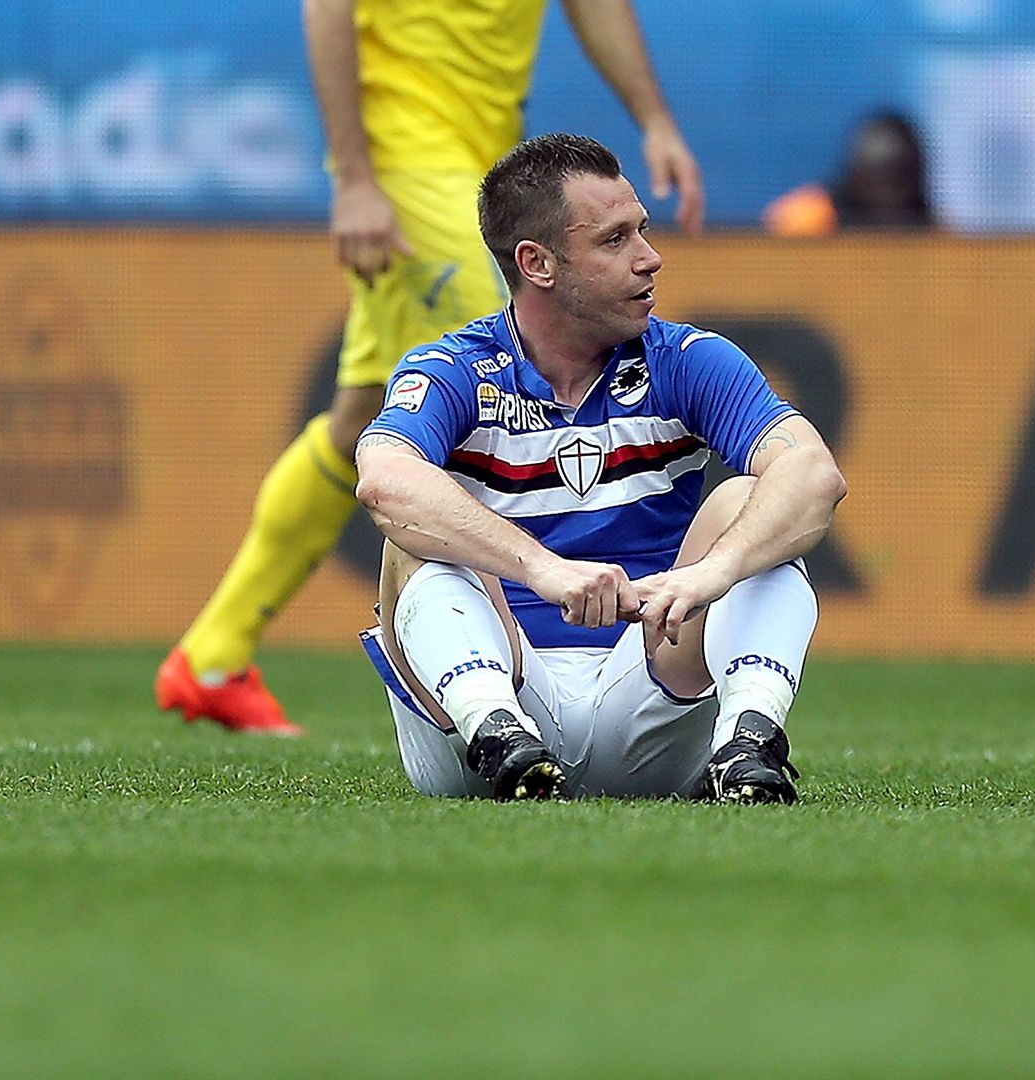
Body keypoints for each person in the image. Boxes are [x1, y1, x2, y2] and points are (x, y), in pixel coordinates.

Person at [156, 0, 706, 735]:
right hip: (408, 166)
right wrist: (355, 177)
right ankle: (523, 671)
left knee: (361, 418)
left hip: (484, 162)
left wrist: (656, 119)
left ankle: (212, 657)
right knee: (508, 367)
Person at [351, 133, 845, 801]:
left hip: (650, 696)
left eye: (642, 230)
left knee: (756, 505)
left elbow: (815, 475)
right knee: (412, 534)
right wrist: (544, 570)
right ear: (538, 264)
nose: (651, 258)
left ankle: (747, 744)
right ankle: (498, 731)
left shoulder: (689, 359)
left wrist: (711, 573)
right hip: (481, 717)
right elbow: (382, 479)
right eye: (615, 241)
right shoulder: (457, 369)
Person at [763, 112, 933, 237]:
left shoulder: (932, 232)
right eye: (879, 181)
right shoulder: (810, 216)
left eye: (897, 180)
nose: (887, 193)